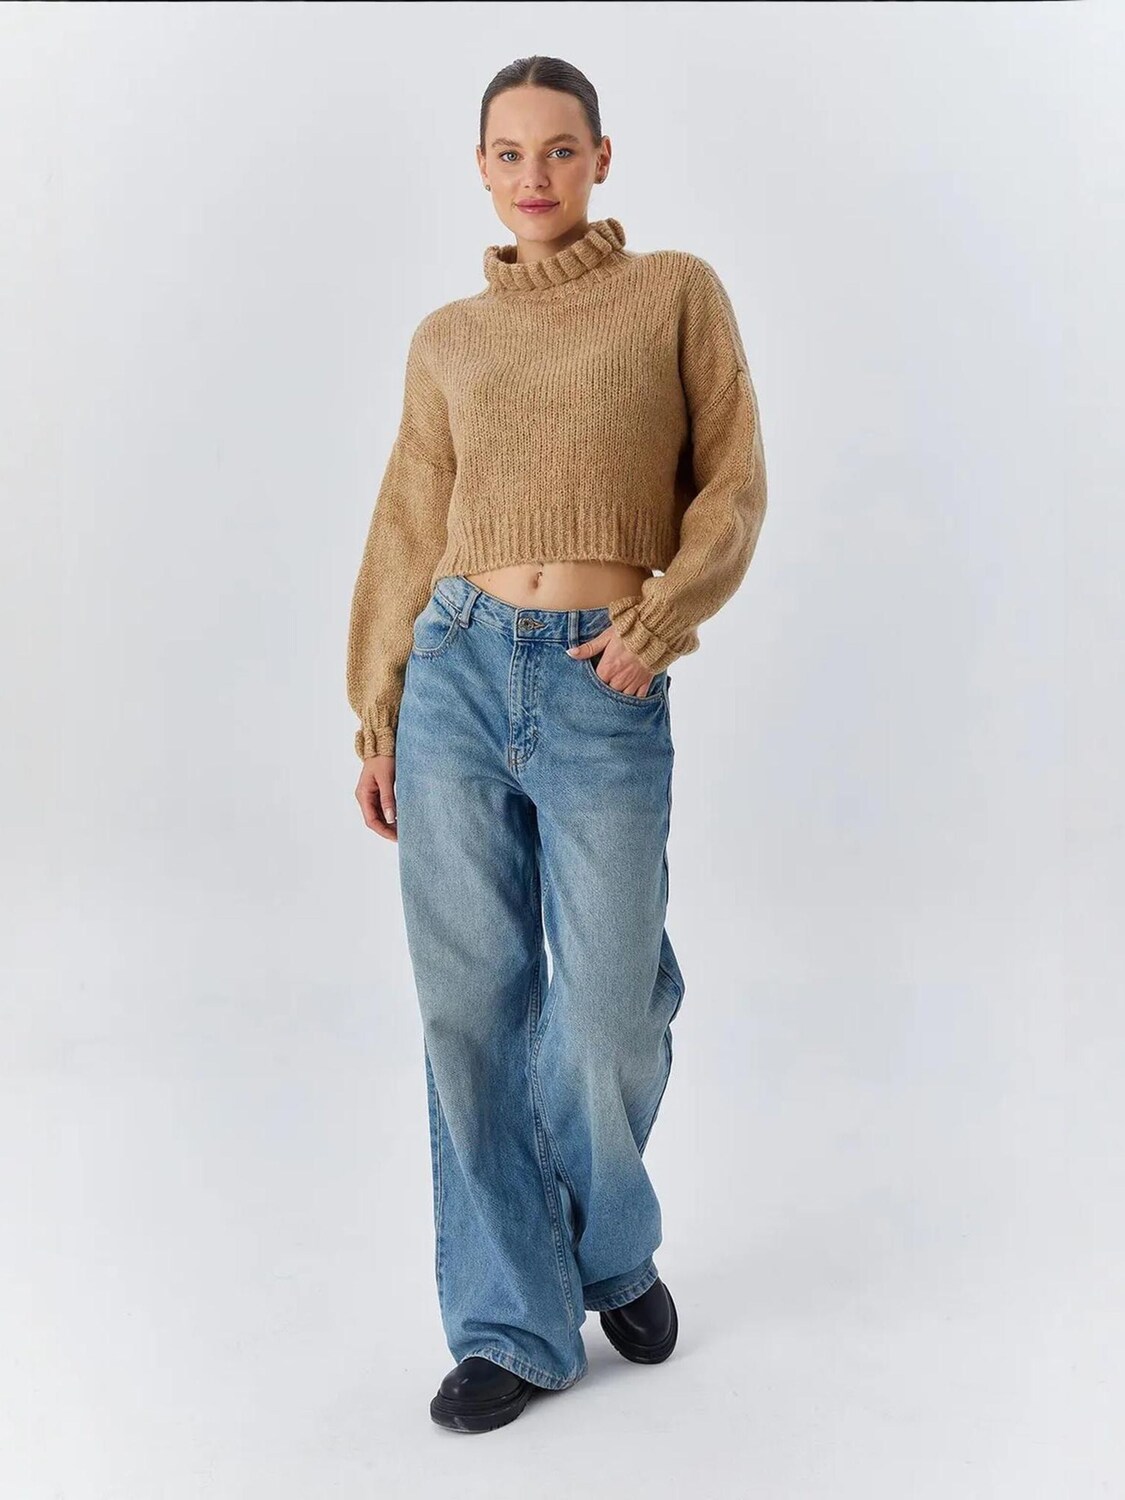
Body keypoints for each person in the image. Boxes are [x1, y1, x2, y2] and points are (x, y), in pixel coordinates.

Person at [346, 54, 767, 1434]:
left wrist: (662, 619)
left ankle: (610, 1251)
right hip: (457, 674)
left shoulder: (674, 293)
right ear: (480, 168)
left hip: (603, 683)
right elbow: (408, 525)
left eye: (560, 149)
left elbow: (731, 483)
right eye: (509, 153)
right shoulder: (447, 339)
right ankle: (512, 1325)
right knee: (469, 1008)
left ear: (601, 158)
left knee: (606, 1014)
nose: (535, 174)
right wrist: (377, 710)